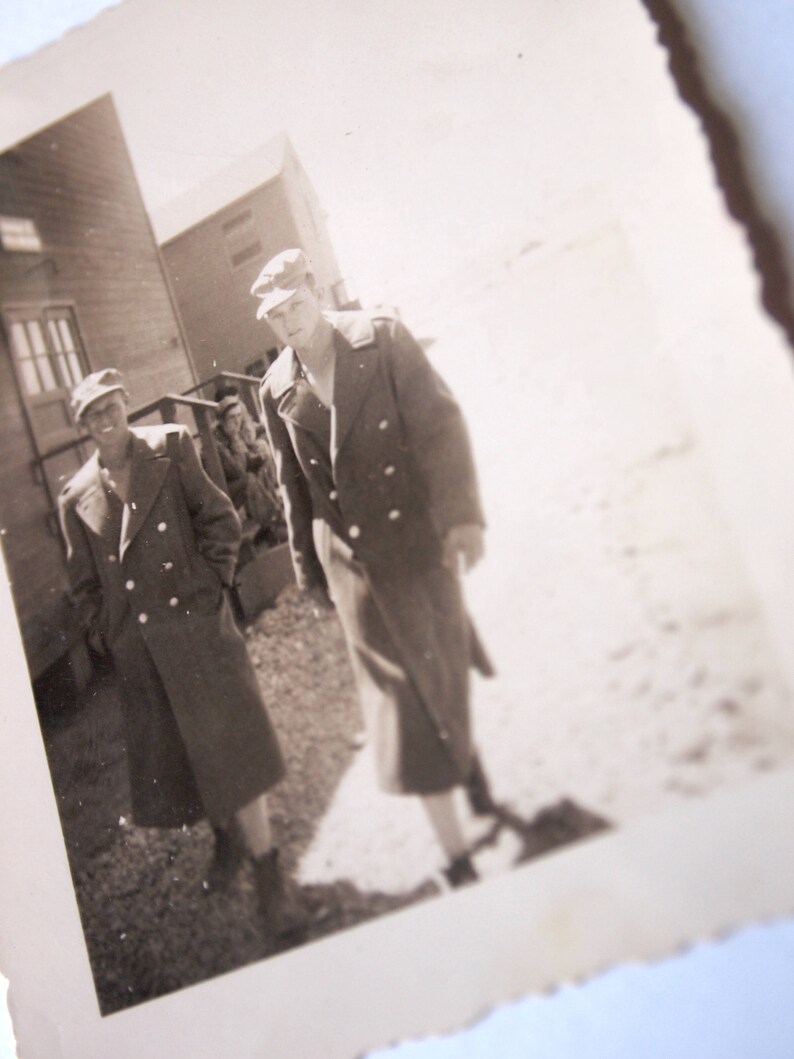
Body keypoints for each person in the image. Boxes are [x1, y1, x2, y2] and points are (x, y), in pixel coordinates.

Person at [254, 249, 498, 887]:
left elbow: (439, 427)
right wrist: (310, 573)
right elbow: (293, 490)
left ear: (314, 290)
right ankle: (458, 860)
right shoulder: (275, 388)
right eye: (274, 317)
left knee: (442, 668)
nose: (289, 323)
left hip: (417, 541)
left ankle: (466, 761)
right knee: (401, 704)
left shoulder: (380, 336)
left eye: (295, 305)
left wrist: (462, 516)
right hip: (353, 566)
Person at [57, 368, 301, 936]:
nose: (106, 418)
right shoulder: (77, 496)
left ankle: (268, 873)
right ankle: (227, 841)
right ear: (84, 427)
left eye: (111, 405)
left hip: (197, 631)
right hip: (142, 652)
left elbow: (218, 519)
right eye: (93, 414)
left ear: (124, 404)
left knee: (234, 749)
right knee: (189, 755)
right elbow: (83, 585)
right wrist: (108, 634)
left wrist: (211, 586)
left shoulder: (168, 447)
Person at [211, 393, 285, 545]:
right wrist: (234, 440)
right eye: (232, 417)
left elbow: (245, 462)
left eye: (239, 416)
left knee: (262, 464)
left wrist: (259, 459)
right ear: (222, 420)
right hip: (221, 491)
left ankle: (271, 520)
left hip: (236, 483)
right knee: (249, 480)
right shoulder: (216, 443)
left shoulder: (233, 433)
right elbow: (237, 470)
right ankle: (273, 522)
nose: (237, 421)